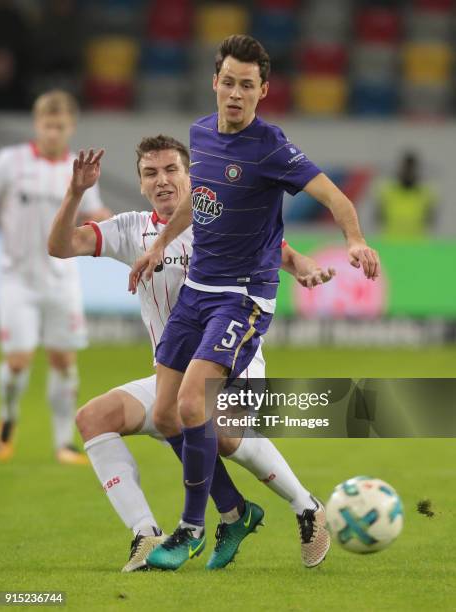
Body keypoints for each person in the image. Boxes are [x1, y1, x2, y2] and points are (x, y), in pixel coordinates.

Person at [128, 34, 380, 572]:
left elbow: (333, 196)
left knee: (196, 405)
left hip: (244, 297)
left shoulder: (271, 146)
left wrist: (355, 239)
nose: (236, 94)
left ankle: (192, 529)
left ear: (263, 91)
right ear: (214, 82)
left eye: (248, 85)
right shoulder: (200, 133)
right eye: (228, 82)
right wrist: (157, 244)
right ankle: (256, 510)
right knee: (168, 415)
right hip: (199, 290)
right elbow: (199, 205)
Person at [48, 136, 336, 572]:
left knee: (205, 420)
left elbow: (286, 256)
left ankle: (306, 507)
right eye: (151, 173)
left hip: (238, 366)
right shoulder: (130, 230)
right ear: (142, 184)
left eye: (171, 170)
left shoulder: (224, 221)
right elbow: (60, 246)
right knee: (94, 418)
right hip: (172, 376)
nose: (162, 180)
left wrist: (308, 269)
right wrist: (75, 194)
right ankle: (148, 534)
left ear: (191, 176)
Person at [0, 90, 110, 464]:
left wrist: (135, 230)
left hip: (62, 279)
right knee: (17, 361)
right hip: (16, 279)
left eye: (60, 126)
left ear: (70, 127)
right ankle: (7, 421)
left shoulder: (75, 170)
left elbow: (96, 214)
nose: (52, 133)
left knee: (63, 361)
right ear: (36, 124)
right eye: (47, 125)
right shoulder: (9, 163)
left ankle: (64, 443)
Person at [377, 151, 437, 239]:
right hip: (391, 242)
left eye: (411, 169)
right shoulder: (386, 192)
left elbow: (430, 220)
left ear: (416, 170)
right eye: (406, 168)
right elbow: (379, 218)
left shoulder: (426, 193)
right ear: (400, 169)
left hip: (417, 243)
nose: (408, 172)